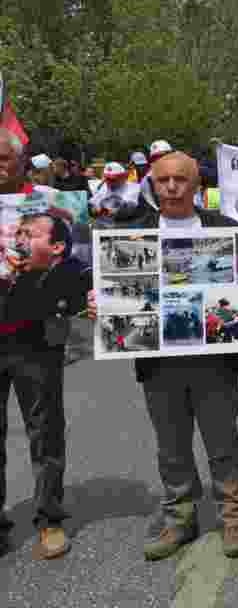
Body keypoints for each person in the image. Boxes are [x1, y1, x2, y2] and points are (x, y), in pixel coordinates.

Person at [86, 151, 238, 560]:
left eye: (181, 179)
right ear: (152, 185)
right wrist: (100, 303)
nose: (173, 186)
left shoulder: (227, 229)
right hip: (159, 361)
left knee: (223, 441)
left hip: (214, 360)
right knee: (171, 444)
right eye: (163, 180)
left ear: (197, 186)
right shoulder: (129, 233)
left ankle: (233, 516)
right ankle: (179, 518)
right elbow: (117, 293)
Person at [1, 212, 91, 560]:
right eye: (17, 232)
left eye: (29, 233)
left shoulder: (63, 274)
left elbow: (81, 296)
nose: (19, 238)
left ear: (55, 247)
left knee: (45, 433)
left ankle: (49, 519)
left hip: (36, 350)